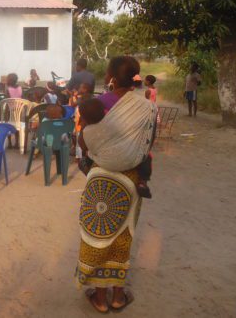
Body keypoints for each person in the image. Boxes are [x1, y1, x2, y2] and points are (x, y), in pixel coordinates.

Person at [75, 56, 157, 313]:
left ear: (110, 76)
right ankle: (119, 296)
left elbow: (85, 142)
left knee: (99, 233)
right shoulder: (146, 107)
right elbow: (147, 144)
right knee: (123, 235)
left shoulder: (97, 105)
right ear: (135, 76)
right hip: (130, 179)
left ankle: (99, 298)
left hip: (101, 177)